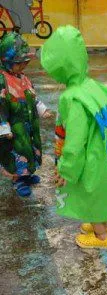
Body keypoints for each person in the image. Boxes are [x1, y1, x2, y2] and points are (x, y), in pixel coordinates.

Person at [40, 25, 107, 249]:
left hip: (93, 156)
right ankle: (104, 223)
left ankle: (101, 236)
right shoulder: (95, 86)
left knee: (90, 191)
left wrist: (66, 169)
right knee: (102, 190)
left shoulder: (72, 98)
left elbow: (75, 142)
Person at [0, 32, 42, 197]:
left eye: (25, 62)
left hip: (29, 123)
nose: (23, 66)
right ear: (6, 61)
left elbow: (33, 96)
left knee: (29, 148)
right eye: (19, 63)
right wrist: (3, 126)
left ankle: (28, 175)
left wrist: (42, 109)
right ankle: (18, 179)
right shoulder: (2, 80)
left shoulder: (24, 78)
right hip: (13, 126)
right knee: (17, 151)